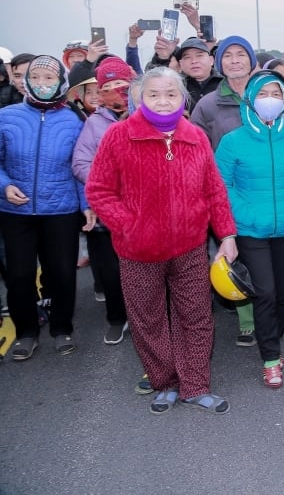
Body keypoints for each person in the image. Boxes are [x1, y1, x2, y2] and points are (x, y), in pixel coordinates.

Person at [87, 67, 237, 414]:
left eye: (171, 93)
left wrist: (227, 234)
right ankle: (164, 382)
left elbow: (214, 190)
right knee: (148, 319)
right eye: (154, 94)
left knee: (197, 316)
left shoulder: (195, 137)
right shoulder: (119, 136)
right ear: (139, 97)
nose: (163, 100)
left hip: (189, 247)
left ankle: (195, 385)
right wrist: (129, 225)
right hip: (139, 251)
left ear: (182, 97)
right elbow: (99, 190)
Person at [215, 70, 284, 389]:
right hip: (251, 231)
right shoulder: (233, 141)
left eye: (276, 93)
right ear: (249, 99)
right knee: (265, 292)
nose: (269, 100)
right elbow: (222, 185)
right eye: (262, 93)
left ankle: (270, 337)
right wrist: (246, 215)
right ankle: (271, 358)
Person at [0, 55, 96, 360]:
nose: (42, 84)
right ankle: (26, 331)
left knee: (62, 273)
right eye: (36, 78)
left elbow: (79, 166)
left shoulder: (74, 119)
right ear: (26, 81)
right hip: (16, 212)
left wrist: (87, 205)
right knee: (18, 275)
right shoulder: (6, 116)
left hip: (62, 211)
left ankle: (61, 327)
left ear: (60, 82)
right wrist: (4, 186)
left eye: (49, 78)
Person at [71, 56, 135, 346]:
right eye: (107, 86)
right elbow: (80, 162)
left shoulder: (147, 114)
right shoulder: (94, 123)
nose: (115, 91)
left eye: (121, 84)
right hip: (107, 208)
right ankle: (116, 318)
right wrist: (107, 179)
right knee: (110, 271)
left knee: (144, 270)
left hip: (142, 209)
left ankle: (145, 319)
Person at [190, 36, 257, 149]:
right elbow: (198, 151)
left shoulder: (266, 98)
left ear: (251, 61)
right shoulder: (207, 105)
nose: (235, 61)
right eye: (227, 56)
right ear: (220, 63)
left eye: (241, 55)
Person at [175, 38, 223, 109]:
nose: (194, 61)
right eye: (187, 57)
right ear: (181, 64)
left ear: (211, 60)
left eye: (199, 56)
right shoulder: (176, 85)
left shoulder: (226, 83)